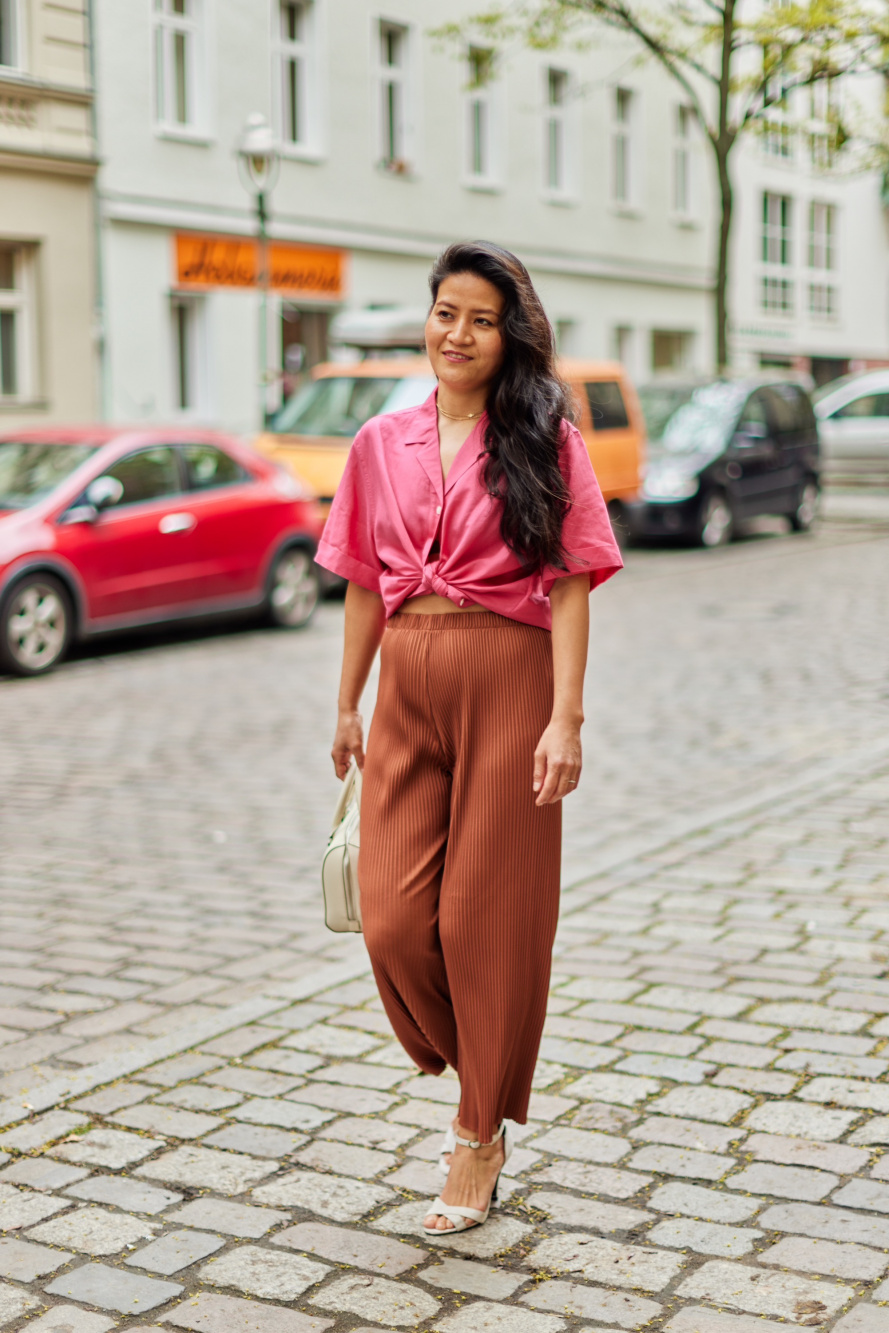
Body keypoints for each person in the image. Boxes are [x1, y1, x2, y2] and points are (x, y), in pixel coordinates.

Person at [317, 241, 622, 1235]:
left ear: (509, 334)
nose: (457, 334)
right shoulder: (378, 442)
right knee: (397, 920)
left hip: (508, 678)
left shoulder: (544, 438)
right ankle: (481, 1057)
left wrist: (565, 718)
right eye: (445, 312)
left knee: (485, 922)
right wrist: (347, 701)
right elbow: (363, 581)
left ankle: (475, 1128)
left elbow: (571, 582)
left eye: (480, 319)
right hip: (405, 677)